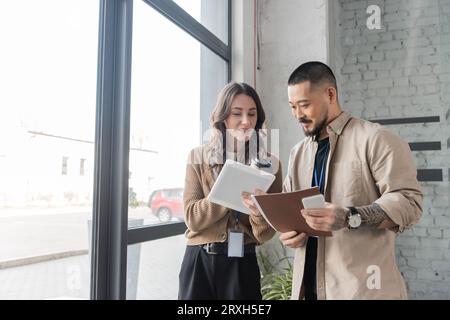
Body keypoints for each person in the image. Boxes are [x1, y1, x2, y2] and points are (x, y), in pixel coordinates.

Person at [242, 61, 423, 299]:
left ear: (330, 94)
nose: (298, 115)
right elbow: (293, 217)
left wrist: (349, 217)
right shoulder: (298, 153)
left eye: (304, 105)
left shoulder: (377, 139)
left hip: (362, 292)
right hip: (307, 290)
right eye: (292, 107)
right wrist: (285, 229)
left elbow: (409, 202)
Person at [178, 82, 283, 300]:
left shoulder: (269, 164)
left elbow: (264, 234)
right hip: (199, 261)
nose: (246, 121)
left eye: (252, 114)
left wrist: (257, 212)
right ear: (223, 117)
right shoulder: (198, 157)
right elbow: (192, 218)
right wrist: (230, 190)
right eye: (237, 113)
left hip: (242, 262)